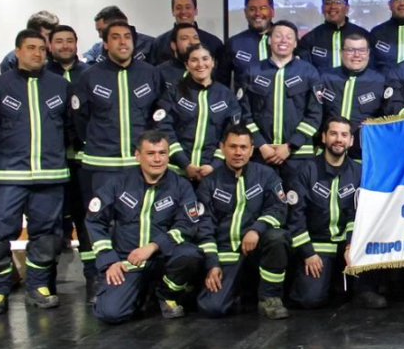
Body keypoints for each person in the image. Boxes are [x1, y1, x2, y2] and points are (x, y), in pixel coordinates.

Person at [70, 20, 164, 297]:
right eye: (116, 38)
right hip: (103, 166)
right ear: (105, 43)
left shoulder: (151, 74)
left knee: (140, 222)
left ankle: (142, 280)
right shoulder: (89, 77)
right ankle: (101, 275)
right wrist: (99, 143)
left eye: (127, 38)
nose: (123, 42)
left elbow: (159, 115)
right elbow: (80, 118)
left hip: (141, 167)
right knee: (100, 222)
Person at [0, 30, 71, 314]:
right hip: (9, 176)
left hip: (50, 175)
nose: (37, 53)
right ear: (17, 51)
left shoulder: (60, 86)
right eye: (30, 48)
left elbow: (70, 128)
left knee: (46, 234)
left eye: (42, 49)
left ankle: (38, 287)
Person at [88, 130, 203, 323]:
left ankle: (166, 294)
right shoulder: (118, 183)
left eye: (162, 153)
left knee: (190, 255)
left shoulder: (181, 186)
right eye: (151, 153)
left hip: (163, 259)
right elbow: (94, 221)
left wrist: (153, 246)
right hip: (128, 261)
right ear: (137, 155)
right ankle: (135, 293)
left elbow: (187, 226)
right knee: (110, 314)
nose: (157, 159)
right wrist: (109, 260)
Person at [286, 116, 387, 309]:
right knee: (310, 301)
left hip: (347, 243)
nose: (338, 139)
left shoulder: (359, 171)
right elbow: (295, 216)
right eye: (333, 134)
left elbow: (357, 214)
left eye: (344, 135)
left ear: (351, 141)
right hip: (317, 244)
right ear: (324, 137)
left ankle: (364, 290)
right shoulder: (305, 170)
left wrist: (350, 244)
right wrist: (308, 253)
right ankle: (328, 287)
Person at [192, 124, 289, 320]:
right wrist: (212, 264)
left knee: (278, 238)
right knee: (212, 308)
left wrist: (256, 229)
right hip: (226, 253)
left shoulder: (266, 175)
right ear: (222, 148)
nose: (238, 152)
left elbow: (279, 208)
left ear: (252, 150)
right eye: (233, 146)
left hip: (257, 248)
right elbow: (204, 227)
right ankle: (235, 293)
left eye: (243, 147)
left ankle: (270, 298)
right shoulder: (209, 182)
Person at [239, 20, 323, 185]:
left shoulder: (309, 72)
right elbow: (243, 113)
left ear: (295, 43)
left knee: (297, 205)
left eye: (288, 37)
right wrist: (261, 145)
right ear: (270, 40)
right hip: (261, 155)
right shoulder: (252, 71)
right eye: (278, 36)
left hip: (298, 156)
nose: (283, 40)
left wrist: (290, 146)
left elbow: (315, 114)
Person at [155, 44, 240, 184]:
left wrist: (214, 165)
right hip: (175, 172)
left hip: (213, 173)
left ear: (213, 62)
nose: (200, 64)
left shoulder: (226, 95)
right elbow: (163, 129)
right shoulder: (173, 93)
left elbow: (230, 134)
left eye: (205, 59)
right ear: (187, 65)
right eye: (194, 60)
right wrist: (185, 164)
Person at [47, 25, 90, 272]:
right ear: (50, 45)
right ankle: (47, 280)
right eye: (59, 41)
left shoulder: (91, 74)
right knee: (51, 221)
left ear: (76, 43)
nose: (65, 46)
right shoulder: (42, 76)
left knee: (86, 220)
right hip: (52, 162)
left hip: (84, 162)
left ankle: (94, 278)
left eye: (69, 41)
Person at [316, 32, 387, 158]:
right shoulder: (325, 78)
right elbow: (314, 114)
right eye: (350, 50)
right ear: (341, 52)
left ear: (369, 53)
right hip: (326, 154)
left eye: (362, 50)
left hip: (363, 156)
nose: (356, 55)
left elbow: (387, 121)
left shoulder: (380, 82)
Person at [150, 0, 226, 83]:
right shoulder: (159, 42)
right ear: (173, 11)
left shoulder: (214, 42)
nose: (183, 11)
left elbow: (222, 78)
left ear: (195, 11)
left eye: (188, 7)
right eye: (178, 8)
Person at [297, 0, 372, 71]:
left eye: (338, 2)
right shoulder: (309, 39)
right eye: (328, 3)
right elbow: (306, 72)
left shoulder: (364, 36)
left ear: (347, 8)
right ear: (322, 8)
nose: (333, 6)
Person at [225, 0, 275, 87]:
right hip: (245, 101)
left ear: (272, 12)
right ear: (245, 13)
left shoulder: (286, 42)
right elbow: (222, 84)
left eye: (263, 8)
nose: (257, 13)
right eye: (252, 9)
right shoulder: (233, 43)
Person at [82, 5, 155, 64]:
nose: (100, 35)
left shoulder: (150, 45)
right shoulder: (98, 49)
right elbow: (84, 62)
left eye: (102, 30)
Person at [156, 23, 201, 87]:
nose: (192, 42)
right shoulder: (159, 73)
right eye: (185, 38)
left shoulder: (207, 69)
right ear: (173, 45)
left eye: (195, 38)